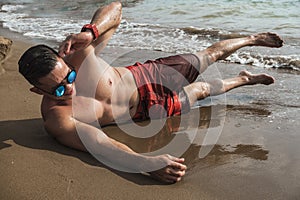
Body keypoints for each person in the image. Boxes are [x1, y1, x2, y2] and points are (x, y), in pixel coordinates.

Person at [18, 2, 283, 183]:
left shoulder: (79, 54)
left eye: (70, 76)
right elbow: (100, 144)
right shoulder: (57, 118)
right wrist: (146, 163)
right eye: (59, 88)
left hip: (147, 76)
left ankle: (251, 38)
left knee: (208, 56)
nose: (70, 87)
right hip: (146, 113)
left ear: (65, 61)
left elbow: (116, 8)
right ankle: (243, 79)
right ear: (37, 90)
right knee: (201, 91)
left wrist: (91, 32)